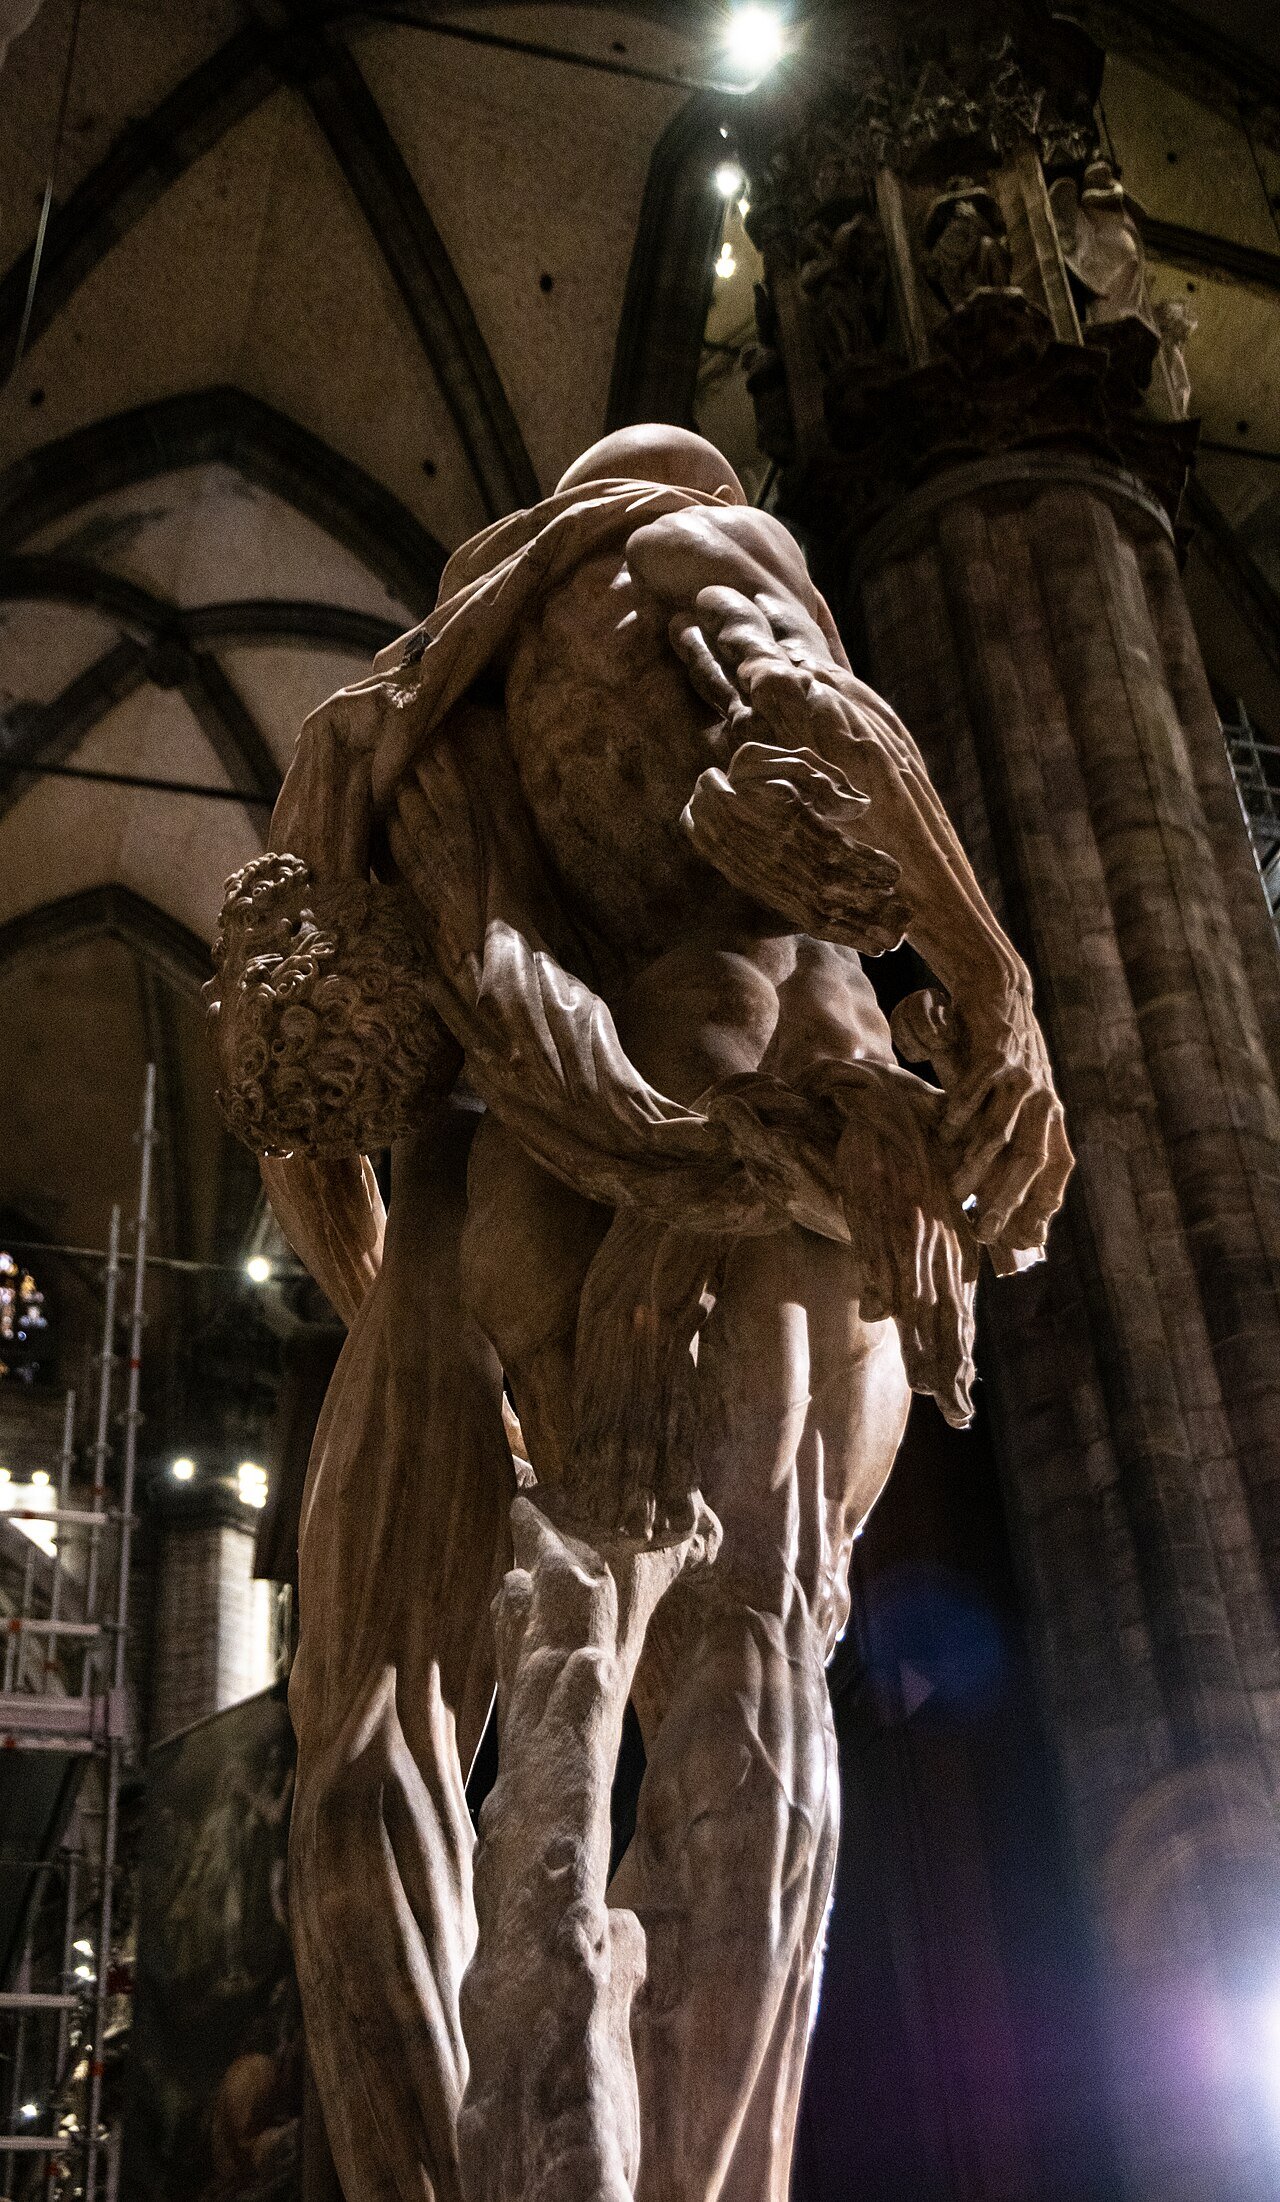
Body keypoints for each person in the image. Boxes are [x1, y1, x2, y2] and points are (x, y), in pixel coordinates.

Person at [208, 424, 1069, 2202]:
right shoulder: (625, 587)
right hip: (678, 1130)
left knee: (406, 1735)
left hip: (635, 1156)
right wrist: (991, 985)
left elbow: (309, 1144)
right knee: (700, 1696)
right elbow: (828, 734)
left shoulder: (392, 738)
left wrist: (394, 1310)